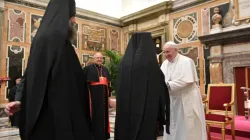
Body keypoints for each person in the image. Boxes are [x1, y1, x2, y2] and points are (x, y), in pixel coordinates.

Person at [6, 0, 92, 139]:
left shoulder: (42, 40)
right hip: (58, 123)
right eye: (73, 16)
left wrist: (21, 99)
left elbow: (31, 74)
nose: (75, 21)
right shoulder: (57, 42)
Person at [115, 32, 170, 140]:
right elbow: (159, 89)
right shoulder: (150, 64)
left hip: (125, 110)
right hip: (146, 111)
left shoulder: (123, 63)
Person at [160, 41, 207, 140]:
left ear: (176, 50)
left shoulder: (186, 61)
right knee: (173, 124)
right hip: (171, 99)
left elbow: (186, 81)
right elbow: (161, 80)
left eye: (168, 52)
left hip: (186, 98)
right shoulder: (164, 64)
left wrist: (166, 85)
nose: (166, 55)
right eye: (164, 52)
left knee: (186, 126)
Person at [83, 52, 111, 140]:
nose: (99, 59)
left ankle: (104, 135)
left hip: (104, 98)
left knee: (104, 116)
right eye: (97, 58)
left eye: (101, 58)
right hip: (93, 98)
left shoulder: (105, 69)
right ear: (93, 59)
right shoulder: (88, 68)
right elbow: (83, 84)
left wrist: (109, 96)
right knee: (94, 116)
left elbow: (108, 85)